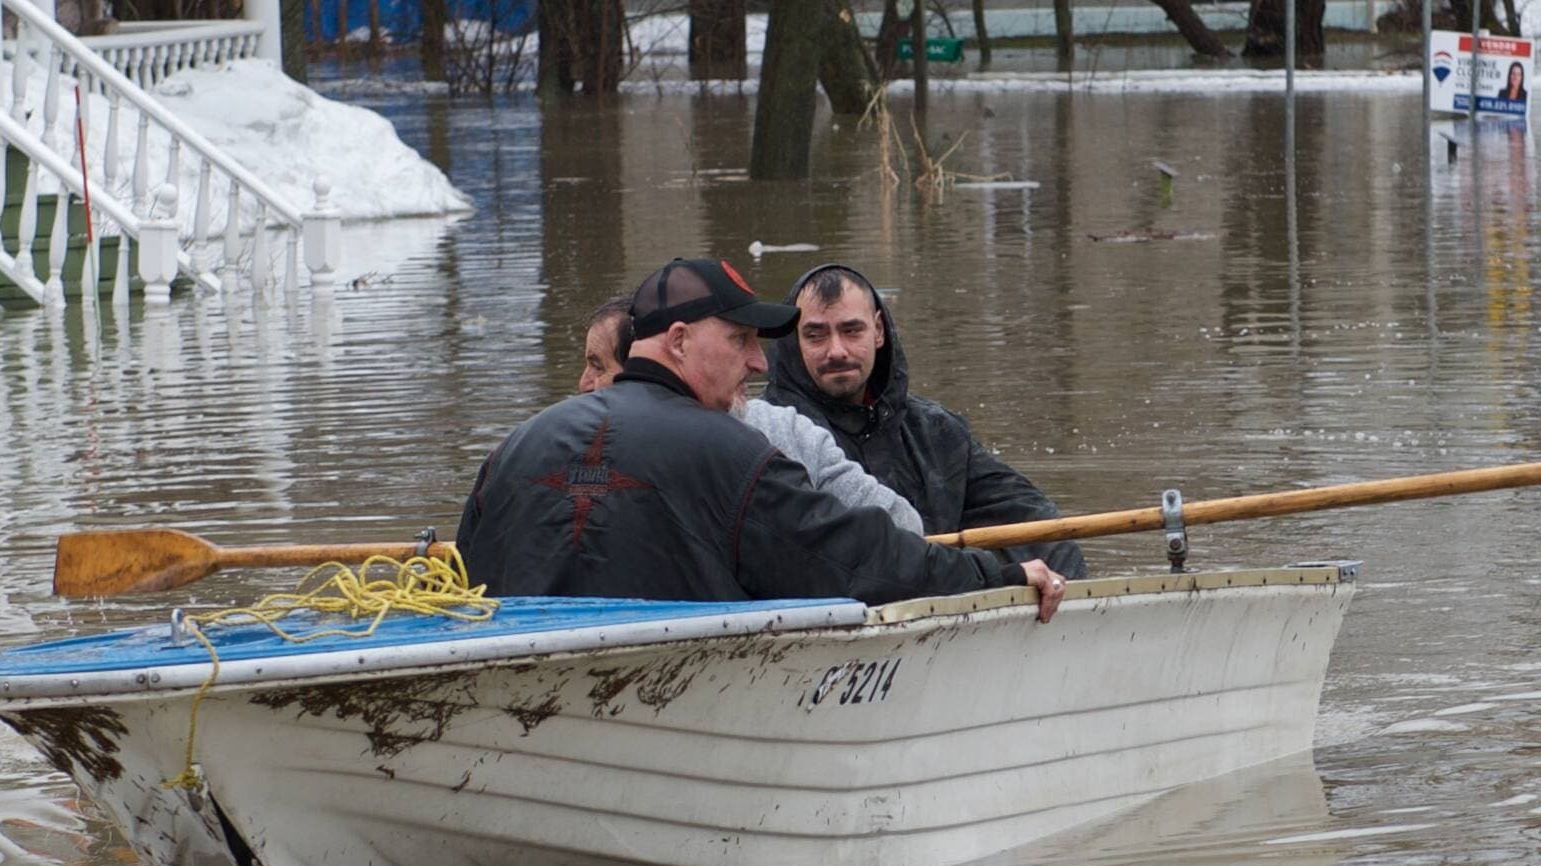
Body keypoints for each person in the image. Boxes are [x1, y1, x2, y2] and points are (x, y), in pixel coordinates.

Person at [458, 258, 1063, 615]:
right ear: (677, 342)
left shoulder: (516, 445)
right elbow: (861, 562)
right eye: (741, 341)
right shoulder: (734, 451)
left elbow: (464, 591)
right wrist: (999, 580)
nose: (758, 364)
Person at [762, 263, 1086, 575]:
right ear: (794, 341)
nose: (836, 350)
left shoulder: (937, 430)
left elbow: (1030, 518)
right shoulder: (765, 438)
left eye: (851, 330)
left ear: (877, 331)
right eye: (816, 335)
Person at [577, 294, 926, 535]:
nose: (584, 384)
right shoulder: (571, 455)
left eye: (597, 366)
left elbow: (902, 524)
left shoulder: (786, 431)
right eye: (739, 341)